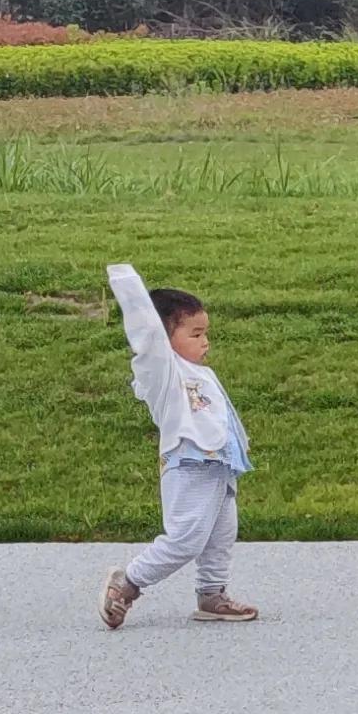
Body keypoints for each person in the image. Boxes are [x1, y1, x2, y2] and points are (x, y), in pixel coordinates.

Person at [101, 266, 255, 627]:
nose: (205, 341)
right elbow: (148, 334)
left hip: (219, 468)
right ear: (165, 338)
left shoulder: (202, 372)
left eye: (206, 333)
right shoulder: (164, 373)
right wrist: (128, 284)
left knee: (221, 536)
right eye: (195, 334)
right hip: (189, 467)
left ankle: (212, 595)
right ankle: (128, 582)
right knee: (186, 539)